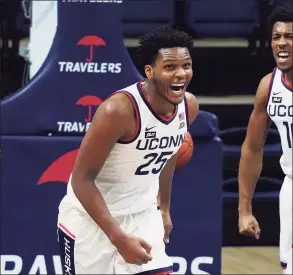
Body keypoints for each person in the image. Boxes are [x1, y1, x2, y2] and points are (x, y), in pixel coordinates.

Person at [57, 26, 199, 275]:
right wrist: (118, 238)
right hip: (91, 221)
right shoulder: (119, 111)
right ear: (149, 71)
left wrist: (163, 207)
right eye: (169, 67)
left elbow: (169, 156)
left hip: (142, 216)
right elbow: (81, 180)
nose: (180, 74)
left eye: (186, 66)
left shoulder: (189, 106)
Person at [238, 5, 292, 275]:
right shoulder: (269, 87)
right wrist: (244, 209)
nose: (281, 43)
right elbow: (252, 148)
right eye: (276, 37)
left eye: (290, 37)